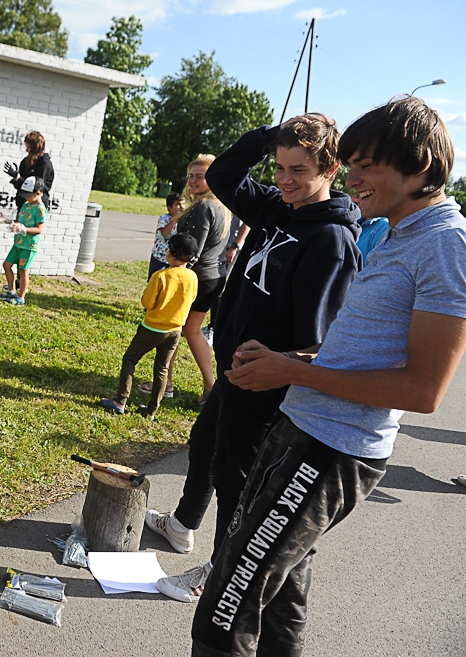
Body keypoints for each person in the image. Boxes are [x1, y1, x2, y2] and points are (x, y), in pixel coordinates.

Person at [191, 97, 465, 656]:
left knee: (226, 605)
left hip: (333, 448)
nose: (352, 178)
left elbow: (423, 390)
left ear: (420, 168)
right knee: (282, 594)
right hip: (301, 428)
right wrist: (292, 361)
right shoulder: (399, 231)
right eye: (351, 164)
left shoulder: (445, 244)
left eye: (366, 166)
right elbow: (358, 350)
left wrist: (292, 369)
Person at [151, 114, 361, 605]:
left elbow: (317, 341)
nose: (285, 179)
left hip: (265, 387)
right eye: (280, 167)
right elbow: (223, 174)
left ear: (330, 169)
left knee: (236, 481)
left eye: (299, 170)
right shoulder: (276, 206)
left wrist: (275, 368)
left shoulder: (331, 241)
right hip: (233, 371)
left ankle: (222, 572)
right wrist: (272, 136)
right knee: (204, 446)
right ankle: (182, 525)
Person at [99, 233, 200, 420]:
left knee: (130, 359)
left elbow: (147, 303)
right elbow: (192, 299)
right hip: (175, 331)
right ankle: (151, 411)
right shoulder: (193, 277)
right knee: (162, 368)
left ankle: (120, 402)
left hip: (152, 328)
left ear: (171, 253)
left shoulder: (161, 276)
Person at [160, 155, 231, 403]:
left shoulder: (203, 207)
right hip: (213, 277)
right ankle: (209, 387)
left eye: (199, 176)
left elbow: (192, 250)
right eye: (190, 175)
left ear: (214, 178)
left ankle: (166, 384)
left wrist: (174, 275)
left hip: (196, 277)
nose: (192, 181)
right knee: (192, 331)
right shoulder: (222, 205)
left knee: (173, 327)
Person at [0, 179, 46, 305]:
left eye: (28, 194)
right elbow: (20, 221)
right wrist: (8, 220)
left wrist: (23, 229)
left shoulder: (40, 209)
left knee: (23, 270)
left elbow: (39, 229)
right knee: (7, 265)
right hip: (18, 243)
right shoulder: (26, 205)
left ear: (38, 193)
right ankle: (11, 290)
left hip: (28, 246)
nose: (25, 197)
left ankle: (21, 297)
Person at [3, 131, 55, 215]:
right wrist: (16, 179)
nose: (27, 150)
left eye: (29, 147)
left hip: (35, 207)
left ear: (36, 147)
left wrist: (19, 178)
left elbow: (37, 187)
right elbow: (21, 186)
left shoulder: (44, 164)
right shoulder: (26, 161)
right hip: (23, 204)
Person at [149, 192, 186, 279]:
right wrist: (174, 220)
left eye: (183, 204)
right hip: (159, 256)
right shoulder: (164, 218)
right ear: (169, 207)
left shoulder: (184, 220)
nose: (182, 207)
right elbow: (165, 233)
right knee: (156, 278)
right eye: (178, 204)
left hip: (174, 258)